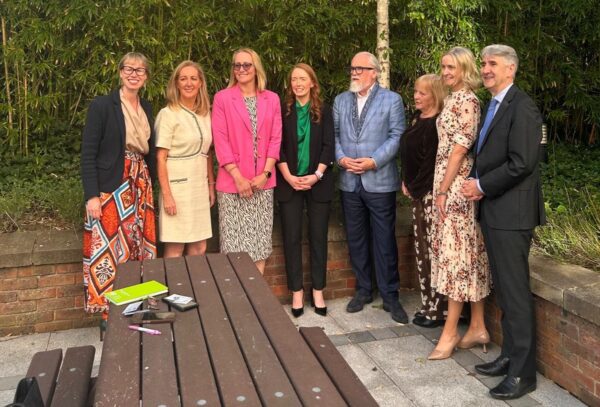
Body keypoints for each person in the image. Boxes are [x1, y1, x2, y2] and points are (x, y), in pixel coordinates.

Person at [462, 44, 545, 400]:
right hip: (496, 213)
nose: (485, 68)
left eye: (492, 63)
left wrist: (480, 185)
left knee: (515, 295)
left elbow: (522, 162)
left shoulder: (523, 107)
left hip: (512, 215)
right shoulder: (495, 105)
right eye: (483, 63)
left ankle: (523, 375)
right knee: (507, 297)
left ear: (511, 69)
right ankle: (510, 357)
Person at [81, 52, 157, 333]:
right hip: (112, 186)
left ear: (147, 76)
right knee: (108, 251)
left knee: (139, 248)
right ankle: (107, 317)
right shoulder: (103, 105)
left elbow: (149, 149)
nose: (134, 74)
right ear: (120, 72)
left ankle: (134, 306)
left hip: (140, 184)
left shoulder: (147, 107)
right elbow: (88, 153)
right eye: (129, 68)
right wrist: (92, 195)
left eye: (140, 70)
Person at [334, 51, 408, 323]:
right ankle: (364, 289)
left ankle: (390, 296)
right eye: (352, 68)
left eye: (360, 69)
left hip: (379, 180)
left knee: (384, 240)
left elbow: (397, 136)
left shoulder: (392, 100)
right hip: (349, 181)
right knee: (356, 239)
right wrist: (341, 159)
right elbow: (334, 135)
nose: (354, 73)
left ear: (375, 72)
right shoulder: (341, 100)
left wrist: (373, 161)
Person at [428, 47, 490, 360]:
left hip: (455, 186)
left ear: (465, 69)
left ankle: (450, 332)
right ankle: (477, 325)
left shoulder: (468, 100)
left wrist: (442, 190)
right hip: (448, 182)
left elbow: (459, 150)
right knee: (467, 254)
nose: (446, 72)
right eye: (443, 67)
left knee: (456, 259)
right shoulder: (453, 98)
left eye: (451, 67)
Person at [212, 48, 282, 274]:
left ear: (256, 68)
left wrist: (266, 174)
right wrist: (238, 177)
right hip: (233, 185)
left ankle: (255, 306)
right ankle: (236, 306)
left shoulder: (271, 98)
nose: (241, 69)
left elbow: (275, 138)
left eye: (247, 65)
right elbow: (220, 140)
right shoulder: (223, 98)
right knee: (233, 250)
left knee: (259, 248)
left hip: (262, 184)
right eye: (237, 65)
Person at [276, 63, 334, 317]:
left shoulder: (325, 111)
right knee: (291, 238)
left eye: (302, 79)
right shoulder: (283, 111)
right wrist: (288, 176)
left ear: (312, 82)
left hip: (317, 182)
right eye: (294, 79)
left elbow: (329, 146)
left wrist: (316, 175)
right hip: (289, 182)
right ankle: (297, 292)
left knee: (318, 237)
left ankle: (318, 291)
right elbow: (276, 146)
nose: (298, 83)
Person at [399, 74, 448, 328]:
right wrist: (405, 181)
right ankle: (428, 303)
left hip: (431, 196)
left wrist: (415, 187)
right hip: (417, 194)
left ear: (435, 95)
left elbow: (431, 163)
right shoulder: (418, 119)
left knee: (434, 252)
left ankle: (440, 309)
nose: (416, 96)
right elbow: (409, 154)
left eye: (422, 93)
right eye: (416, 92)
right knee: (422, 252)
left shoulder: (438, 124)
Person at [155, 61, 215, 258]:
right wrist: (167, 195)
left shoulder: (205, 114)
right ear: (176, 84)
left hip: (199, 187)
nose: (188, 83)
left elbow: (206, 153)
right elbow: (160, 158)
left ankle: (194, 289)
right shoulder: (168, 114)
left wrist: (211, 185)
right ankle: (173, 289)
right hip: (177, 189)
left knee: (199, 247)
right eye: (183, 79)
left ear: (200, 83)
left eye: (193, 78)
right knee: (175, 248)